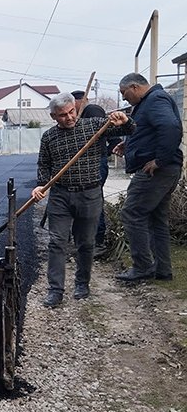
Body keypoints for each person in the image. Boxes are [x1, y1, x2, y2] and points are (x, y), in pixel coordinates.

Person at [32, 92, 133, 308]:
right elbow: (43, 164)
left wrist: (125, 120)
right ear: (53, 117)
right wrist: (42, 184)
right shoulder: (49, 137)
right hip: (60, 195)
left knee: (86, 243)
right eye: (62, 115)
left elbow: (129, 130)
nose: (69, 117)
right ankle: (55, 290)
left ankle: (82, 283)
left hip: (89, 194)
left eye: (71, 112)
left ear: (76, 108)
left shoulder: (94, 126)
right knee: (57, 242)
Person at [113, 73, 183, 282]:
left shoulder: (155, 99)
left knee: (132, 212)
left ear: (134, 87)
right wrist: (129, 144)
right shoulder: (149, 102)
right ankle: (162, 270)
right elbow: (151, 130)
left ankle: (142, 266)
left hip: (157, 171)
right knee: (155, 218)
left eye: (124, 94)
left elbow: (171, 127)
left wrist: (159, 161)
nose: (125, 99)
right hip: (166, 169)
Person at [72, 90, 122, 251]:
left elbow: (108, 133)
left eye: (73, 103)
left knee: (92, 200)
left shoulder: (92, 110)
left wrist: (103, 153)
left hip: (95, 164)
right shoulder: (81, 116)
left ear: (81, 101)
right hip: (88, 163)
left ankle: (96, 240)